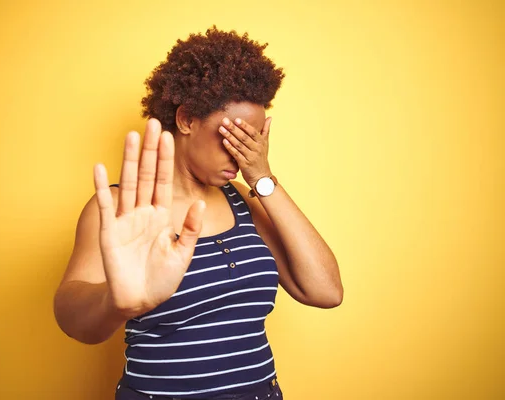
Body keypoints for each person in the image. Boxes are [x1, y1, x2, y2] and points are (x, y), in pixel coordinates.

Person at [53, 26, 343, 400]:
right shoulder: (122, 208)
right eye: (233, 139)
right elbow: (72, 317)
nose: (242, 156)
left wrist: (262, 176)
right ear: (187, 119)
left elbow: (325, 291)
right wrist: (115, 302)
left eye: (253, 142)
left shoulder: (244, 197)